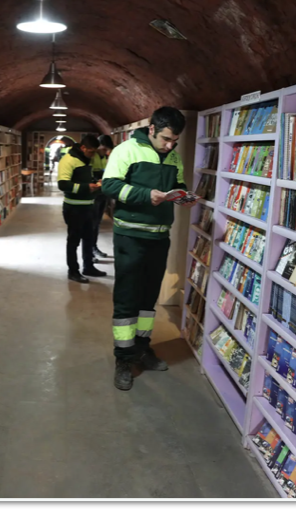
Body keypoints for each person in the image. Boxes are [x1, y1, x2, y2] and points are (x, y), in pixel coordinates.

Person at [101, 106, 195, 391]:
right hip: (130, 235)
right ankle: (123, 359)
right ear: (152, 129)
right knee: (128, 299)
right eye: (166, 138)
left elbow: (176, 184)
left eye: (174, 140)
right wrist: (146, 195)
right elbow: (109, 186)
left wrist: (182, 197)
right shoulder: (125, 151)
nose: (170, 145)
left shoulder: (174, 156)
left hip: (159, 237)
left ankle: (143, 348)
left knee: (148, 300)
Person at [57, 134, 105, 282]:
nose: (92, 155)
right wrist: (86, 187)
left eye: (94, 152)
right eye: (90, 151)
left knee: (89, 239)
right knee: (74, 240)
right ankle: (73, 271)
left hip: (89, 206)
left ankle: (88, 266)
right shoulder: (68, 160)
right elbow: (63, 184)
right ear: (83, 147)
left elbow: (88, 177)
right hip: (74, 207)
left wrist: (96, 182)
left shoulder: (87, 160)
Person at [89, 135, 114, 260]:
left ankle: (94, 247)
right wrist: (96, 179)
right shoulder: (92, 156)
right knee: (91, 223)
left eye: (107, 150)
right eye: (104, 149)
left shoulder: (104, 157)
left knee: (97, 223)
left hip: (102, 193)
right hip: (93, 193)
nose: (106, 152)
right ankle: (89, 251)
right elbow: (88, 173)